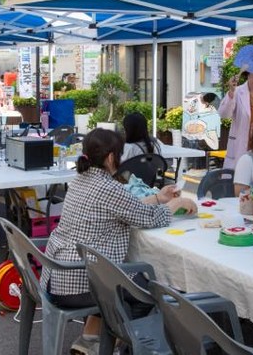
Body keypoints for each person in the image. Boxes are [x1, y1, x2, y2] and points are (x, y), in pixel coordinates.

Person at [41, 128, 197, 352]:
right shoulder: (109, 187)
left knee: (118, 276)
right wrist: (177, 203)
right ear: (111, 157)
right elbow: (148, 218)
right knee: (146, 290)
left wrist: (158, 198)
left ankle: (91, 338)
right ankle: (111, 345)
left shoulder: (81, 179)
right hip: (79, 281)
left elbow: (125, 208)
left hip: (59, 274)